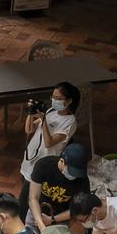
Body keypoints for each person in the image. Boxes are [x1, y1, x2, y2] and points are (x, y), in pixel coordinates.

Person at [19, 82, 80, 213]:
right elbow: (29, 130)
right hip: (30, 161)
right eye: (53, 97)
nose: (54, 101)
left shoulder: (70, 121)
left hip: (43, 166)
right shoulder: (51, 111)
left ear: (69, 101)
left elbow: (49, 142)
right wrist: (31, 112)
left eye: (58, 99)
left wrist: (44, 120)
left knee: (26, 205)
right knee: (25, 200)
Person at [27, 143, 90, 232]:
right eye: (72, 172)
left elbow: (77, 209)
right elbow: (33, 198)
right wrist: (41, 224)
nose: (74, 176)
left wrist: (52, 219)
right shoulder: (44, 165)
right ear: (62, 161)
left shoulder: (82, 180)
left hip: (61, 218)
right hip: (37, 211)